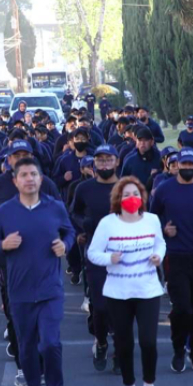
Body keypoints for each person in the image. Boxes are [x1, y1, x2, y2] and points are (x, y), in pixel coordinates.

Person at [0, 158, 75, 386]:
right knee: (26, 348)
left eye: (34, 174)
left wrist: (65, 245)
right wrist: (3, 244)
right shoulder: (4, 211)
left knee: (50, 343)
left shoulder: (55, 207)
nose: (30, 179)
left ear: (40, 178)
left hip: (50, 289)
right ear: (15, 181)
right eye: (24, 175)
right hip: (20, 291)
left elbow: (69, 232)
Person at [0, 140, 61, 386]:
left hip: (44, 265)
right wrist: (2, 236)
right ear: (8, 159)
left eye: (26, 154)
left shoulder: (45, 183)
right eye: (17, 155)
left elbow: (61, 214)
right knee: (17, 319)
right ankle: (23, 366)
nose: (21, 158)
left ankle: (41, 363)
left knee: (44, 321)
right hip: (11, 267)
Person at [88, 177, 166, 386]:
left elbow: (160, 244)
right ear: (118, 199)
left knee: (148, 342)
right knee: (123, 343)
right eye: (126, 194)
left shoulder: (152, 220)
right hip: (118, 293)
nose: (131, 198)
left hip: (148, 290)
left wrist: (158, 256)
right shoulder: (108, 223)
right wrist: (109, 259)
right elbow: (93, 253)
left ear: (142, 197)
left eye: (135, 193)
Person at [151, 148, 193, 373]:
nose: (189, 168)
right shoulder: (164, 189)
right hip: (176, 256)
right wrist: (163, 229)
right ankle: (179, 349)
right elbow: (152, 218)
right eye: (185, 165)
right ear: (177, 165)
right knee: (183, 308)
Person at [72, 145, 121, 372]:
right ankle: (101, 342)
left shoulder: (127, 187)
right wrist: (83, 227)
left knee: (122, 307)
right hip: (95, 253)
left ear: (116, 162)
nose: (104, 164)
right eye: (100, 161)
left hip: (124, 255)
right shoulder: (84, 188)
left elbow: (143, 214)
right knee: (100, 307)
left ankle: (121, 353)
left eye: (108, 160)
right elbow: (74, 212)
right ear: (94, 165)